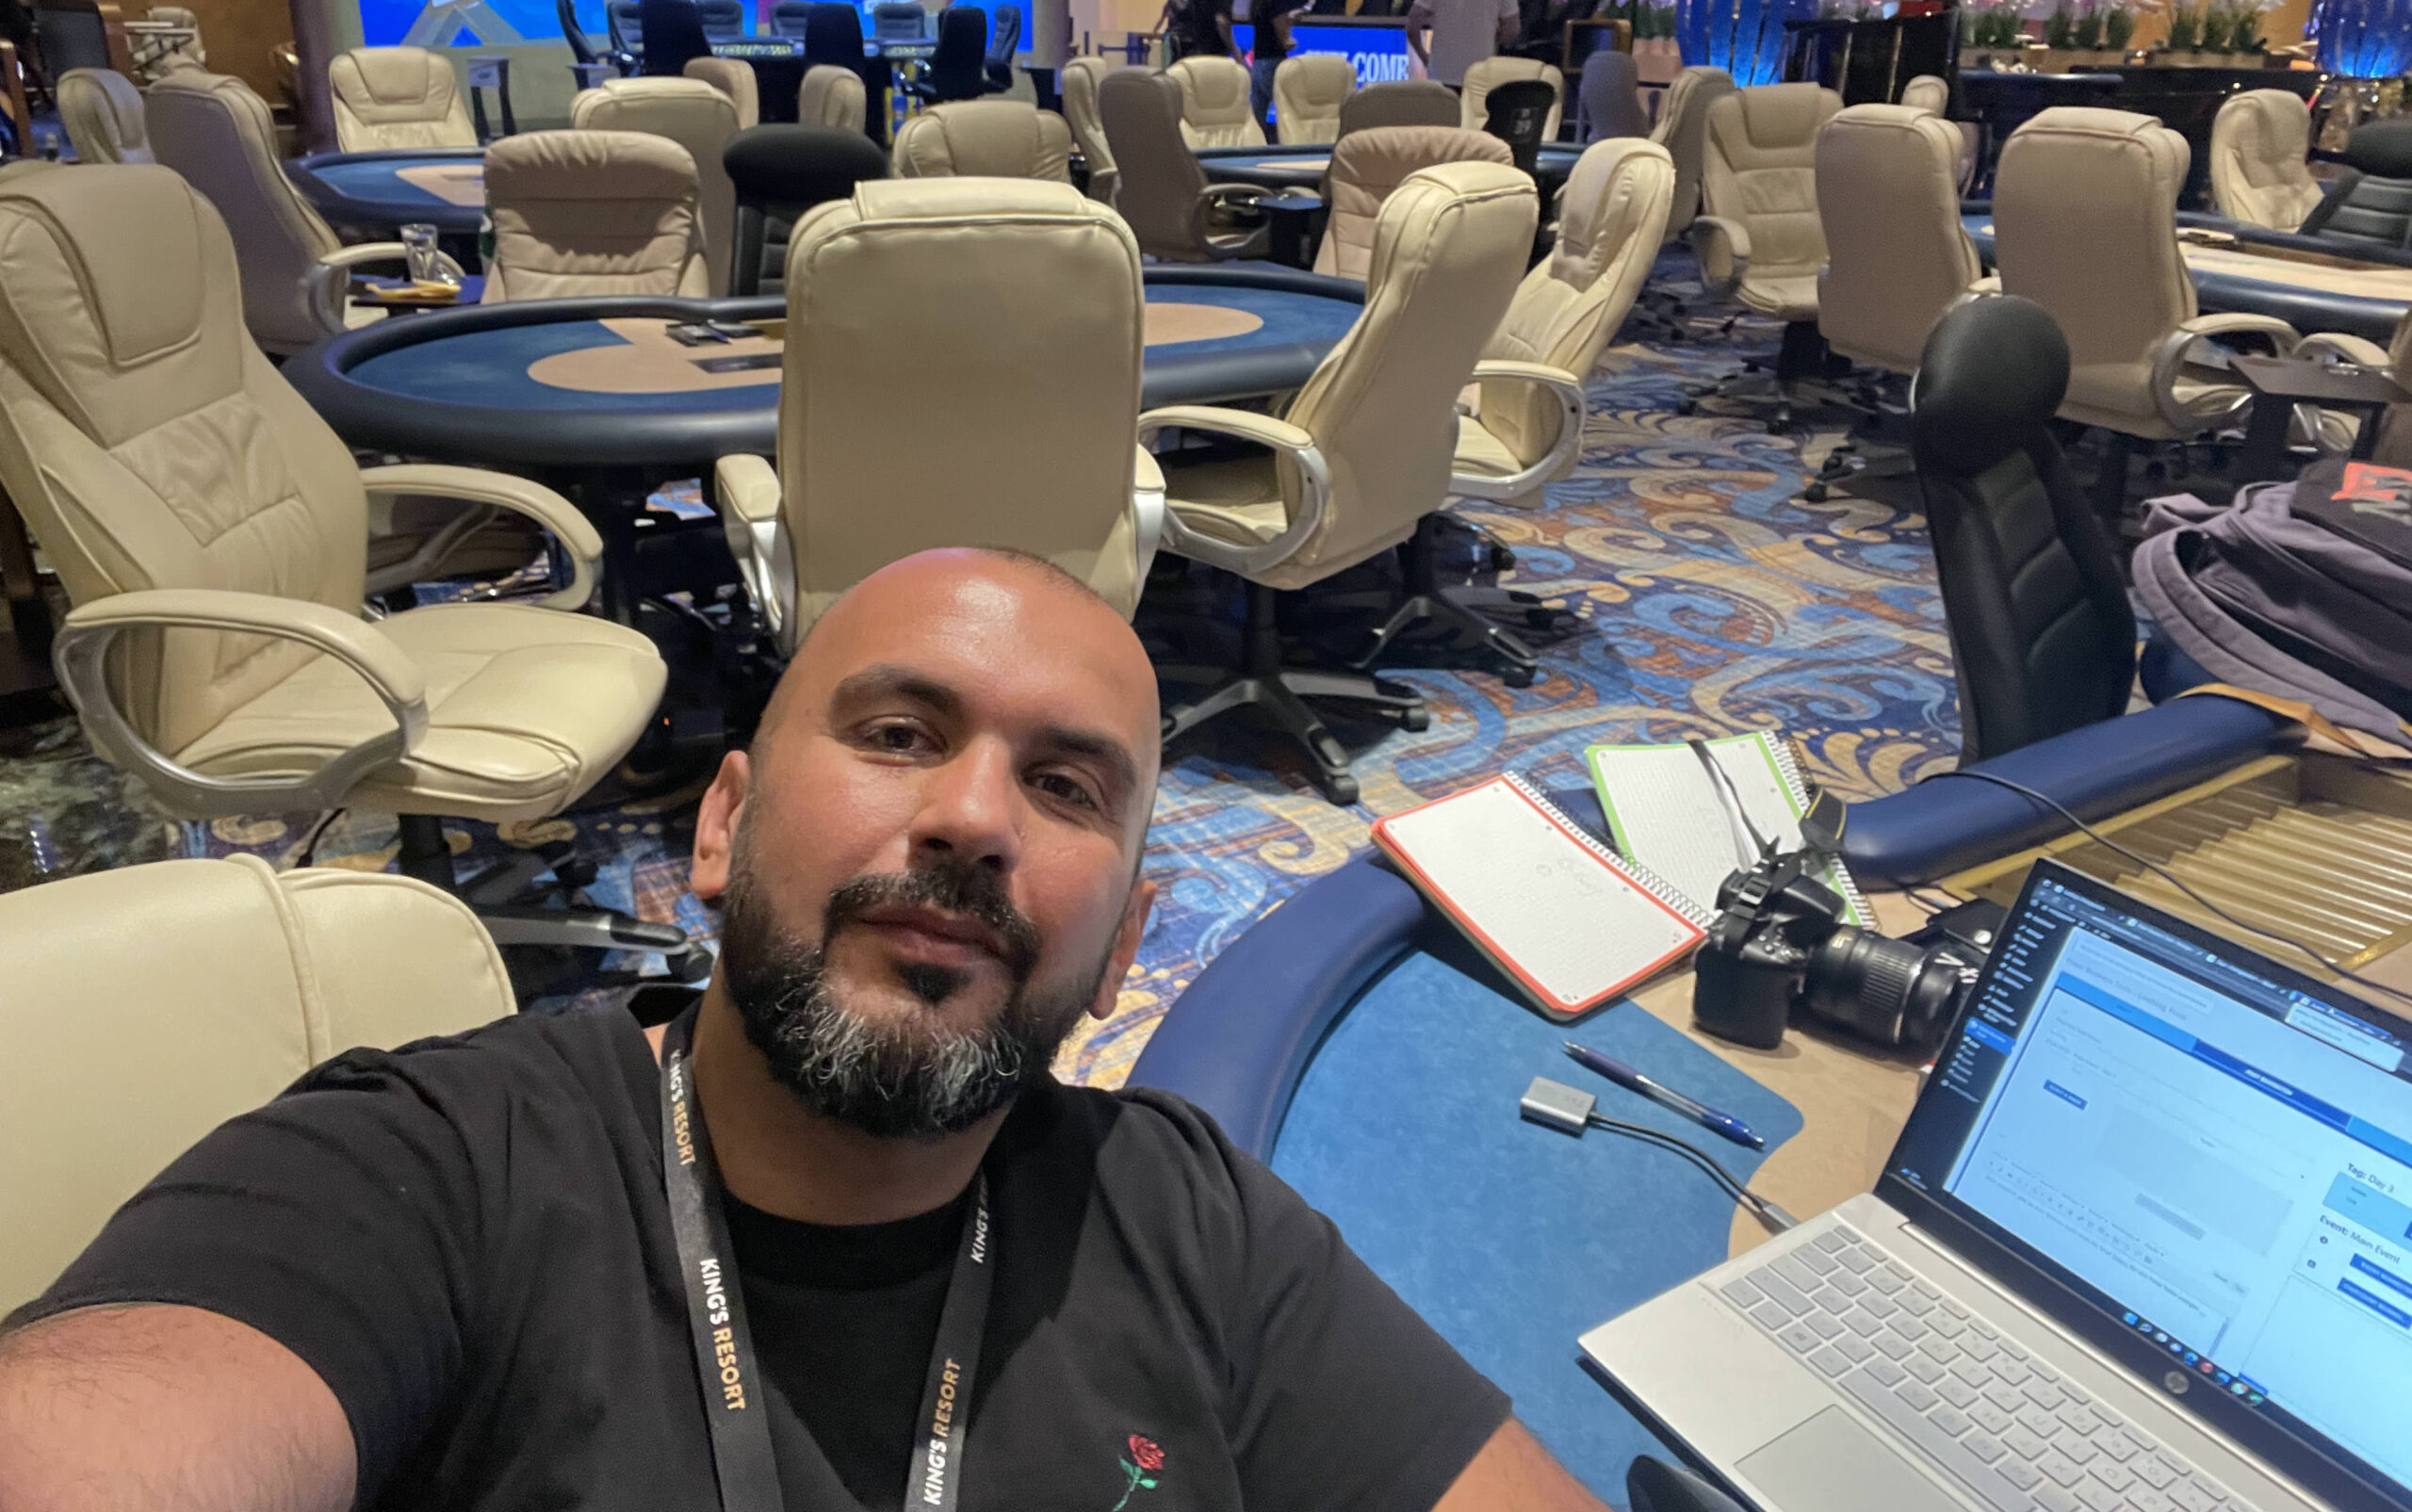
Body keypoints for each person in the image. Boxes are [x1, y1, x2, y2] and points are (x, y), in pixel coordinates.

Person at [0, 547, 1606, 1512]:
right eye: (900, 732)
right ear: (720, 830)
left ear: (1123, 947)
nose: (975, 817)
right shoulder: (427, 1174)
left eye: (1065, 787)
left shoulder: (1196, 1227)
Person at [1247, 0, 1292, 134]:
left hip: (1258, 61)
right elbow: (1282, 34)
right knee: (1288, 110)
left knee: (1257, 116)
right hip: (1274, 61)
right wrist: (1289, 40)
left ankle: (1252, 148)